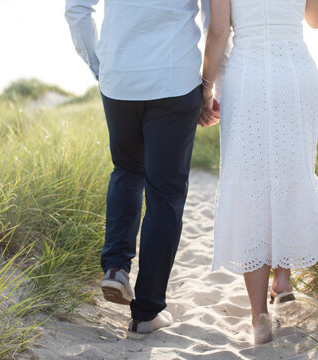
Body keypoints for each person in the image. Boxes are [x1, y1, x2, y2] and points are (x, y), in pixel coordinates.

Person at [65, 0, 218, 338]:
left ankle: (117, 267)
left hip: (120, 79)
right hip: (175, 78)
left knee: (126, 169)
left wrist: (101, 66)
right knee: (165, 195)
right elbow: (215, 22)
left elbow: (76, 8)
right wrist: (209, 87)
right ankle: (146, 313)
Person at [200, 0, 318, 344]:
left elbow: (219, 30)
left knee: (250, 178)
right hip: (296, 71)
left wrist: (205, 88)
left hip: (248, 74)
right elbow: (316, 19)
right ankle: (282, 279)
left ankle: (258, 318)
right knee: (291, 169)